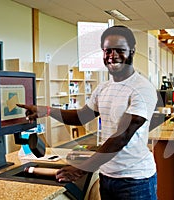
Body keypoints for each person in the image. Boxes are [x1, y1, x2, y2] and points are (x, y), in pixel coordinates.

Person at [17, 25, 158, 200]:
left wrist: (81, 169)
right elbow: (81, 117)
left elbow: (122, 136)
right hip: (107, 175)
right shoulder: (103, 88)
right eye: (108, 50)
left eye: (120, 50)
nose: (112, 56)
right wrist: (46, 110)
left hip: (135, 180)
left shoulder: (142, 88)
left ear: (132, 51)